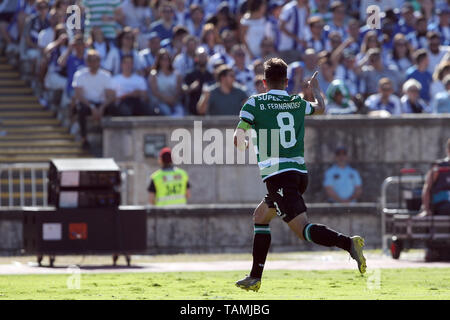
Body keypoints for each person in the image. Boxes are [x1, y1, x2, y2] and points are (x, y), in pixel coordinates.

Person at [233, 58, 366, 292]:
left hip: (279, 176)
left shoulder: (253, 104)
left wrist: (244, 142)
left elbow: (238, 137)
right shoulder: (296, 102)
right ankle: (255, 277)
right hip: (299, 174)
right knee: (261, 217)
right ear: (286, 82)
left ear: (264, 82)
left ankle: (349, 244)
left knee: (303, 230)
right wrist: (315, 89)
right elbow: (321, 108)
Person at [72, 50, 116, 149]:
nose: (93, 63)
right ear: (86, 62)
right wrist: (92, 107)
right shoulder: (79, 75)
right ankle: (84, 139)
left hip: (101, 103)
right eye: (90, 60)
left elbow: (111, 96)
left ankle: (111, 138)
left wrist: (102, 107)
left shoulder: (106, 75)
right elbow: (78, 95)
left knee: (114, 108)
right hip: (86, 104)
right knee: (80, 109)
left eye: (95, 60)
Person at [421, 138, 450, 216]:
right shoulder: (439, 167)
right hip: (441, 205)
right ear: (448, 150)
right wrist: (426, 210)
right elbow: (427, 188)